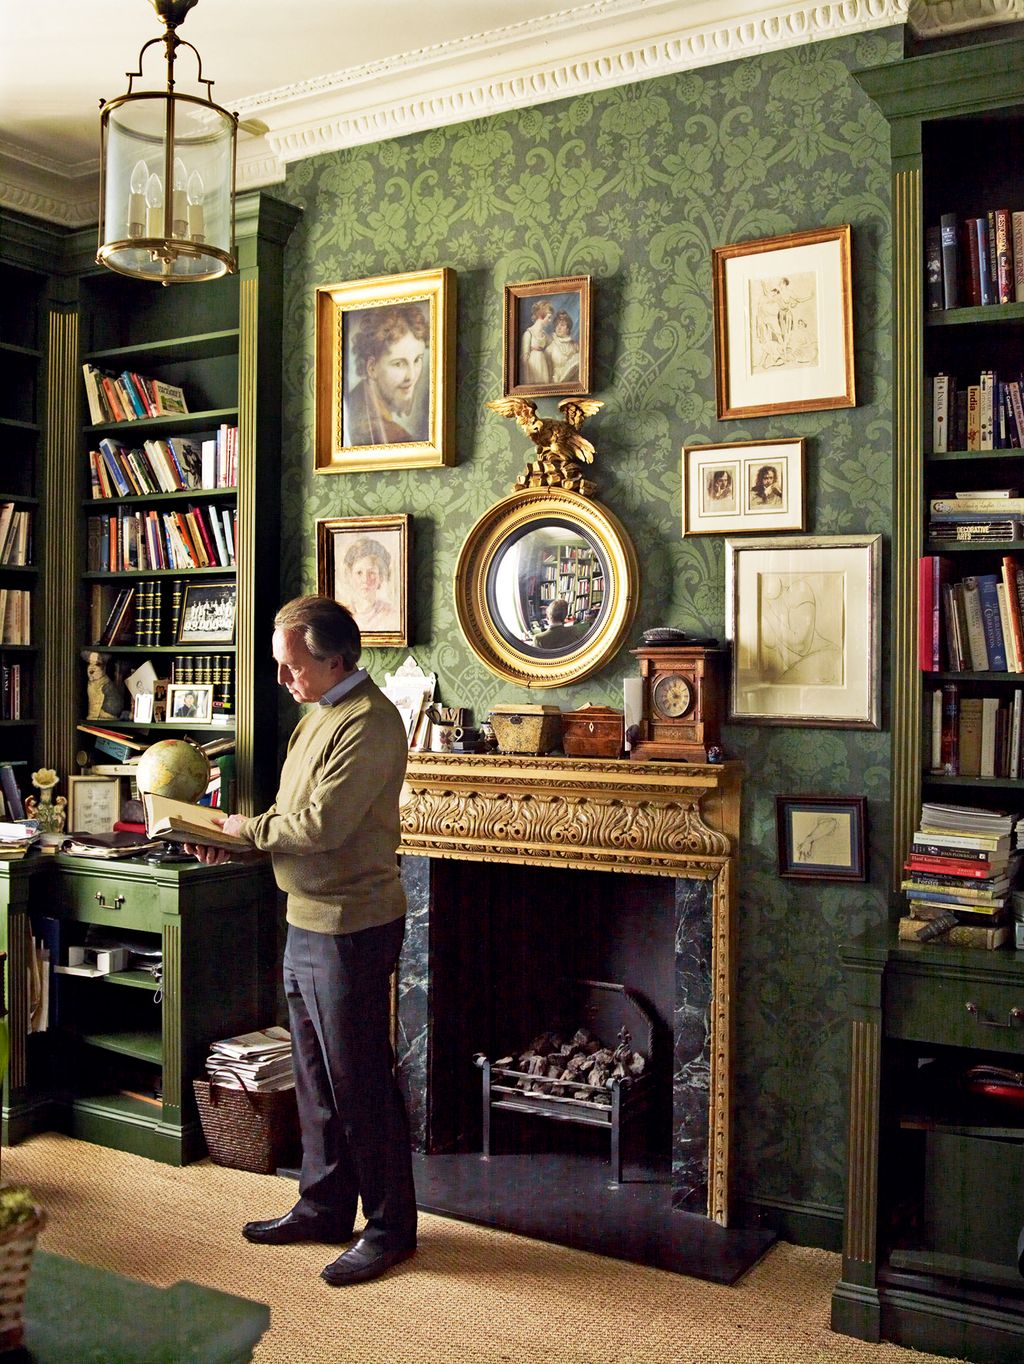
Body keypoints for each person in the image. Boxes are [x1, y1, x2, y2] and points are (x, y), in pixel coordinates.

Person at [184, 595, 417, 1287]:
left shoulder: (369, 723)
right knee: (315, 1078)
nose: (283, 680)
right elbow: (293, 818)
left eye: (292, 667)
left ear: (337, 658)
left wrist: (242, 834)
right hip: (305, 916)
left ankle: (390, 1228)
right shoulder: (316, 718)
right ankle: (322, 1205)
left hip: (352, 925)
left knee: (360, 1082)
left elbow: (320, 828)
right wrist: (237, 846)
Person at [344, 304, 429, 446]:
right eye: (398, 364)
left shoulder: (355, 400)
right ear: (371, 368)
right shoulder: (394, 436)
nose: (411, 376)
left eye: (417, 360)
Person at [340, 536, 395, 632]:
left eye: (371, 573)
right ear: (350, 576)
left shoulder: (390, 615)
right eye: (359, 573)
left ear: (381, 577)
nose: (365, 579)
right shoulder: (342, 614)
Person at [519, 299, 554, 385]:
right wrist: (527, 382)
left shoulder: (546, 335)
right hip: (533, 368)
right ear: (541, 316)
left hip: (543, 366)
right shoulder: (528, 334)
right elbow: (524, 360)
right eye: (548, 317)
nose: (550, 321)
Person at [83, 650, 125, 721]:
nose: (92, 668)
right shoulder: (92, 682)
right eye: (90, 663)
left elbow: (97, 701)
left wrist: (95, 716)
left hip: (106, 714)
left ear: (104, 667)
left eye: (97, 664)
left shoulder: (104, 683)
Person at [547, 309, 580, 386]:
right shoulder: (550, 347)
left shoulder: (575, 346)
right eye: (557, 325)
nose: (558, 328)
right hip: (556, 383)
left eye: (562, 325)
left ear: (568, 329)